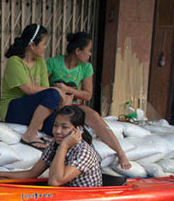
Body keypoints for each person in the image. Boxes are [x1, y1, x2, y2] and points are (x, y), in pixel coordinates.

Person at [47, 32, 131, 169]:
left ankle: (120, 152)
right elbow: (44, 89)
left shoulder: (86, 67)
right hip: (57, 104)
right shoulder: (53, 63)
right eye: (88, 50)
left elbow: (87, 95)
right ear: (78, 50)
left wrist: (69, 89)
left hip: (75, 105)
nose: (90, 54)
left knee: (95, 117)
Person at [0, 105, 102, 187]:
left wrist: (64, 146)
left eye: (64, 127)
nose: (57, 131)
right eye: (55, 126)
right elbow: (32, 173)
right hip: (65, 198)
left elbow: (55, 181)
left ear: (78, 130)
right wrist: (0, 174)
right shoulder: (55, 145)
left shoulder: (83, 152)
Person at [0, 24, 64, 148]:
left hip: (34, 109)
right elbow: (29, 89)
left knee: (59, 127)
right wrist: (55, 90)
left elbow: (45, 89)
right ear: (33, 45)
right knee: (53, 93)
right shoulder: (15, 61)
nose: (45, 47)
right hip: (12, 108)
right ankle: (29, 134)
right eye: (44, 43)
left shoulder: (40, 63)